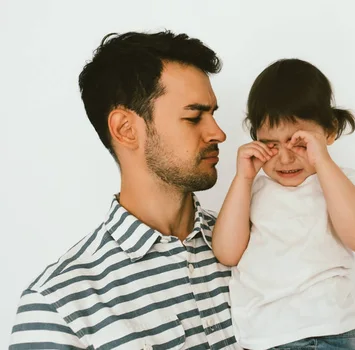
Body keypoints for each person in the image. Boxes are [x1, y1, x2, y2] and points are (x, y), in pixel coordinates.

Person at [9, 30, 243, 350]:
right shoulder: (57, 307)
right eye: (193, 117)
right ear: (126, 129)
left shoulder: (259, 243)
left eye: (213, 113)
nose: (218, 133)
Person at [211, 58, 355, 350]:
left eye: (299, 143)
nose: (285, 159)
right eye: (271, 144)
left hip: (325, 332)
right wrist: (242, 179)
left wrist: (323, 161)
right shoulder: (253, 190)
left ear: (329, 132)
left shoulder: (342, 184)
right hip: (261, 339)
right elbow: (227, 252)